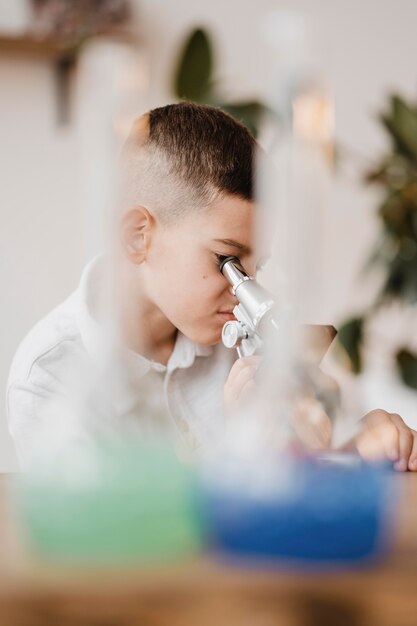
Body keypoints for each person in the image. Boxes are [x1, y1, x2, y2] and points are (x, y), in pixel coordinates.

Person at [7, 102, 417, 471]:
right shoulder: (49, 377)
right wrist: (243, 452)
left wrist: (348, 448)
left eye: (257, 267)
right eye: (228, 261)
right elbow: (116, 538)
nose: (245, 291)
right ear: (137, 236)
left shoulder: (243, 336)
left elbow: (311, 464)